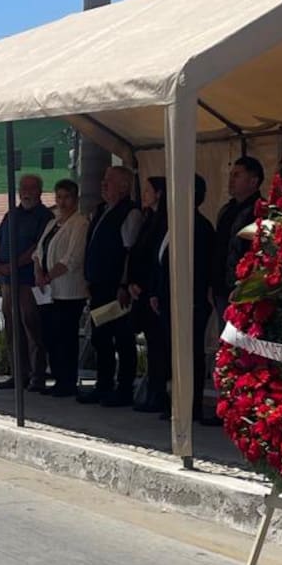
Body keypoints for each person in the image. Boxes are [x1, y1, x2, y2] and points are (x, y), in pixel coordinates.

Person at [149, 176, 217, 425]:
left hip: (191, 301)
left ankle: (191, 405)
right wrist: (156, 292)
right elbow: (161, 261)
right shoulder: (172, 224)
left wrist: (194, 298)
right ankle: (174, 402)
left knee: (190, 354)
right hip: (167, 298)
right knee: (172, 353)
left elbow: (199, 268)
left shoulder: (200, 226)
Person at [79, 165, 142, 406]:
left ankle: (124, 388)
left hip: (115, 287)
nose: (103, 184)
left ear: (124, 186)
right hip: (98, 285)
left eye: (110, 181)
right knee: (100, 337)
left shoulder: (130, 213)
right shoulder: (102, 210)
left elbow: (129, 252)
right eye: (104, 180)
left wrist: (124, 284)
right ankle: (103, 384)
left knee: (122, 338)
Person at [0, 175, 52, 393]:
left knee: (31, 326)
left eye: (30, 188)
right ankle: (18, 374)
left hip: (28, 280)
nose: (25, 192)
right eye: (22, 188)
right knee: (11, 327)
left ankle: (37, 376)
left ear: (39, 191)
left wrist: (14, 265)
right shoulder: (11, 214)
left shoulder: (44, 216)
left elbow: (38, 246)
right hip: (8, 281)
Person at [33, 178, 88, 398]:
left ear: (75, 199)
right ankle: (57, 377)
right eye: (59, 197)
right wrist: (39, 272)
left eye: (67, 197)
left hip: (68, 291)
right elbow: (38, 252)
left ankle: (67, 381)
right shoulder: (53, 223)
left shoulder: (79, 223)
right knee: (50, 336)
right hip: (48, 292)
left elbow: (72, 258)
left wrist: (48, 276)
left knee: (66, 337)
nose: (62, 202)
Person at [128, 176, 169, 414]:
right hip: (140, 290)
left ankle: (158, 393)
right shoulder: (148, 219)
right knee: (152, 345)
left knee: (158, 345)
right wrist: (131, 282)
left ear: (159, 194)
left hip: (153, 290)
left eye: (148, 190)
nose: (144, 195)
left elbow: (157, 260)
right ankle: (153, 391)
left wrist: (147, 286)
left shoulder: (163, 222)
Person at [211, 154, 264, 323]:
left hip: (246, 289)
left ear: (253, 181)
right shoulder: (226, 210)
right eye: (231, 175)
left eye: (237, 175)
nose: (231, 180)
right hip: (221, 287)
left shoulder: (261, 210)